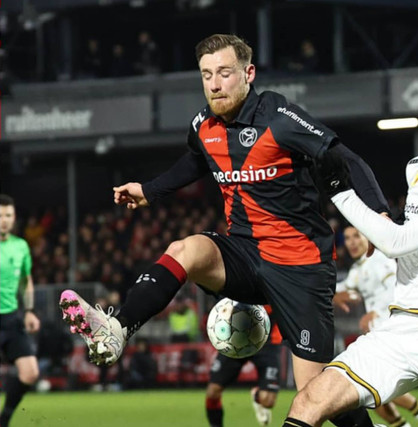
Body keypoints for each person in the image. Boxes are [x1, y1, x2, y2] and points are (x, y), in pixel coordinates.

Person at [59, 33, 388, 427]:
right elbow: (195, 162)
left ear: (248, 74)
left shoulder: (280, 120)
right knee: (187, 249)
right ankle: (116, 330)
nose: (215, 84)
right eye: (206, 75)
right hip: (245, 255)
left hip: (300, 265)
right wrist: (149, 191)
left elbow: (344, 157)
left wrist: (379, 217)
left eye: (225, 73)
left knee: (315, 395)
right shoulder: (204, 126)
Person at [283, 78, 418, 427]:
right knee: (310, 399)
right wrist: (381, 220)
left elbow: (397, 243)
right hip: (399, 325)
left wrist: (340, 191)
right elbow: (404, 228)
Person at [334, 225, 418, 427]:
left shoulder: (379, 260)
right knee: (371, 388)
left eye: (357, 236)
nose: (352, 242)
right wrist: (329, 292)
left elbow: (395, 287)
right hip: (378, 332)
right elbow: (346, 287)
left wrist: (376, 313)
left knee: (371, 385)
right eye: (347, 238)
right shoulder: (358, 269)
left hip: (393, 329)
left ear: (368, 238)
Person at [206, 304, 283, 427]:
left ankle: (257, 395)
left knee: (267, 401)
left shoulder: (276, 287)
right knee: (213, 391)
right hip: (236, 339)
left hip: (267, 342)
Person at [0, 194, 40, 427]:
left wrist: (29, 310)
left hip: (12, 317)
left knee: (30, 373)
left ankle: (4, 420)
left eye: (8, 215)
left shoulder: (21, 246)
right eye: (0, 216)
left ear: (14, 218)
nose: (4, 220)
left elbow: (26, 280)